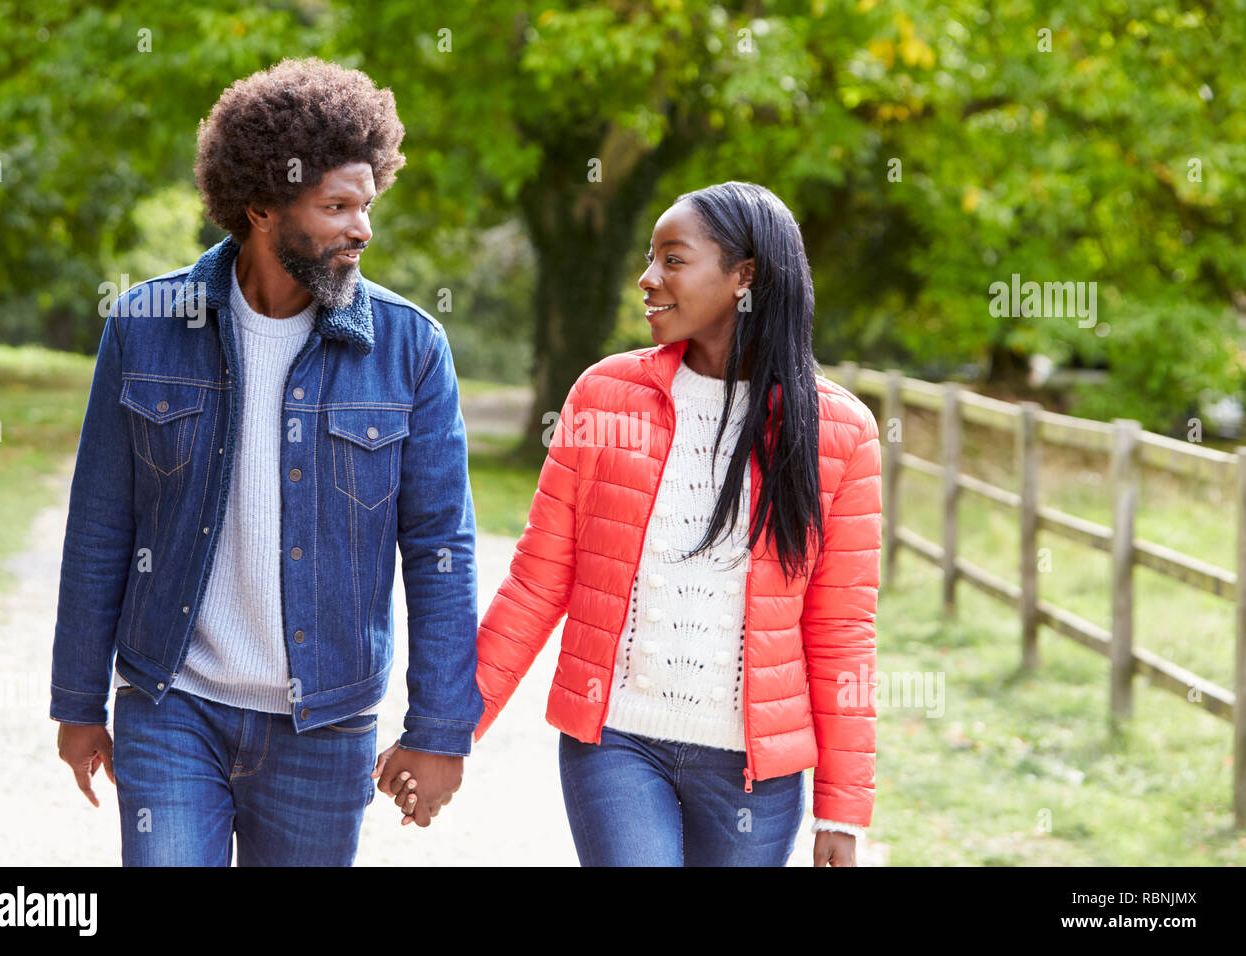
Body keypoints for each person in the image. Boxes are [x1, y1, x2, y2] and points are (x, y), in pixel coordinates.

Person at [50, 57, 481, 865]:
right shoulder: (145, 324)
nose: (363, 228)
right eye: (337, 206)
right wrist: (78, 702)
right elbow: (102, 523)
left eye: (367, 204)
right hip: (171, 705)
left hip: (325, 725)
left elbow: (440, 550)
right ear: (259, 208)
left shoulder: (410, 348)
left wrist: (440, 730)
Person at [391, 181, 882, 866]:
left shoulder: (841, 431)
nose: (647, 280)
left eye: (673, 260)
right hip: (616, 745)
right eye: (650, 259)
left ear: (744, 277)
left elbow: (840, 630)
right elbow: (537, 584)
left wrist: (843, 810)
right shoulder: (603, 394)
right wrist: (448, 732)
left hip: (755, 775)